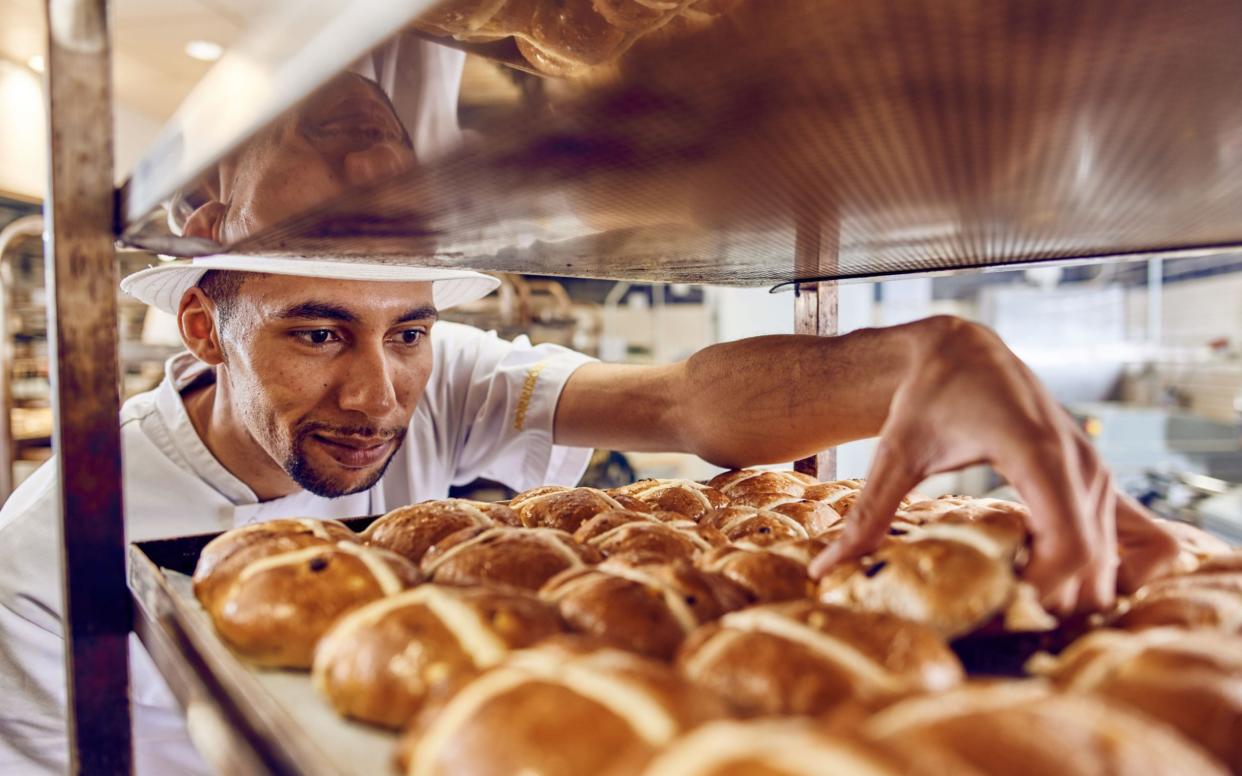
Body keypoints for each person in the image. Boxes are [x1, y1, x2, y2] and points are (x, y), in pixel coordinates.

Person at [0, 35, 1182, 776]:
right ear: (205, 325)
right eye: (317, 331)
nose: (377, 394)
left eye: (407, 328)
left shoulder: (443, 378)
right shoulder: (42, 556)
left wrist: (924, 355)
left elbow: (685, 398)